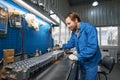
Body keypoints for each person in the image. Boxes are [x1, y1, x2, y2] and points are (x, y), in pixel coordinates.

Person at [62, 12, 101, 80]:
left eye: (69, 23)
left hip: (91, 62)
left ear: (76, 20)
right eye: (66, 24)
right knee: (83, 77)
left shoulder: (89, 28)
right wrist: (61, 46)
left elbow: (92, 48)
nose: (67, 26)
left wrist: (78, 56)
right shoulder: (74, 32)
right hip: (83, 60)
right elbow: (71, 43)